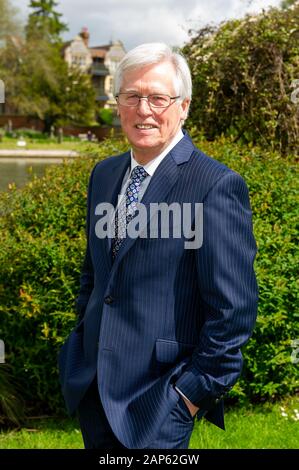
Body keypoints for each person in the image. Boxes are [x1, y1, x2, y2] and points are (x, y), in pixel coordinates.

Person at [58, 42, 258, 449]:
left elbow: (233, 311)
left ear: (183, 106)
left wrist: (189, 395)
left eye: (158, 98)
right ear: (118, 104)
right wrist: (81, 342)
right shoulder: (105, 174)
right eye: (132, 96)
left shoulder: (214, 186)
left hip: (159, 399)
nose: (143, 109)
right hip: (94, 387)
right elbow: (95, 274)